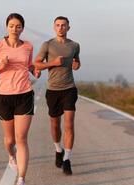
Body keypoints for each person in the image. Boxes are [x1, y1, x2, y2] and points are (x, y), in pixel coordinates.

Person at [0, 13, 40, 185]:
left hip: (24, 94)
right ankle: (10, 155)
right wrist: (0, 66)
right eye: (11, 25)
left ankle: (21, 179)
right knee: (10, 140)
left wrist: (34, 70)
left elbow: (29, 64)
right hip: (4, 96)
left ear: (22, 28)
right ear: (6, 27)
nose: (15, 29)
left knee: (21, 139)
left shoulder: (28, 46)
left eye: (18, 26)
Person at [34, 16, 81, 175]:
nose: (61, 28)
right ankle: (58, 149)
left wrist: (77, 65)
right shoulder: (47, 45)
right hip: (53, 90)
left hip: (69, 88)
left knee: (69, 124)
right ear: (54, 27)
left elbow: (77, 62)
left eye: (63, 25)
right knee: (55, 124)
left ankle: (67, 159)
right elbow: (37, 64)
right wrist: (52, 63)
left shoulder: (75, 45)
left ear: (68, 27)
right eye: (58, 25)